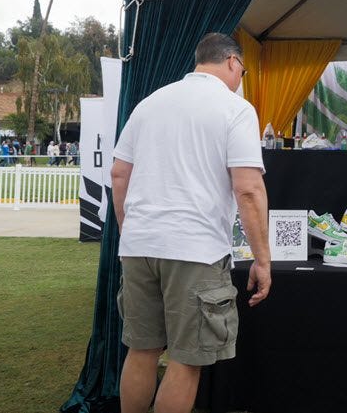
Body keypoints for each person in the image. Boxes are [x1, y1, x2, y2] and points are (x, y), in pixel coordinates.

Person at [111, 32, 272, 413]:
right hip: (195, 248)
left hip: (139, 245)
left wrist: (129, 230)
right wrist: (263, 260)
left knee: (142, 350)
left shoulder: (150, 103)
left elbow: (119, 175)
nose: (240, 78)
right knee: (187, 360)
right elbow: (248, 189)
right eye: (243, 70)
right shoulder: (236, 108)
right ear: (233, 62)